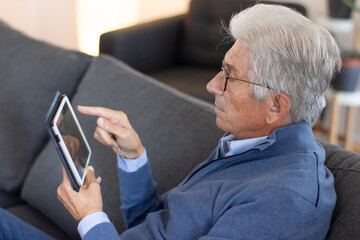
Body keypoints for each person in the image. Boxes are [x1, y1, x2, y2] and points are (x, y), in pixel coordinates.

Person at [0, 3, 341, 240]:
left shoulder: (283, 202)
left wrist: (90, 218)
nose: (212, 85)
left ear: (275, 105)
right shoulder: (249, 144)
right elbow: (155, 225)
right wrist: (134, 158)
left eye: (229, 76)